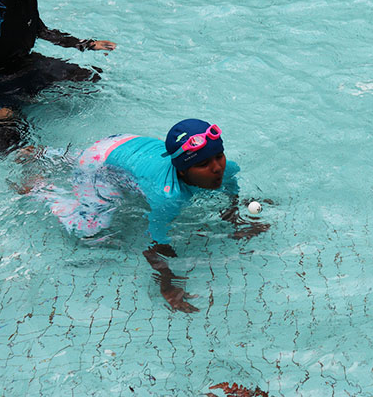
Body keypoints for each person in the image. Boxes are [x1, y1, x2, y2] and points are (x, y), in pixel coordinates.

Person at [26, 119, 270, 313]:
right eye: (204, 163)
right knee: (90, 230)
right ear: (183, 172)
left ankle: (48, 154)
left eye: (219, 156)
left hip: (125, 144)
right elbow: (153, 245)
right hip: (99, 162)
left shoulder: (228, 169)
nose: (217, 167)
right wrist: (166, 280)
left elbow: (230, 193)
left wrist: (235, 223)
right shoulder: (169, 197)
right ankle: (39, 188)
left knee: (124, 166)